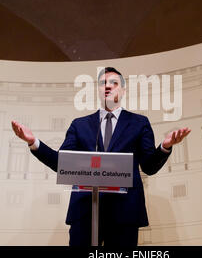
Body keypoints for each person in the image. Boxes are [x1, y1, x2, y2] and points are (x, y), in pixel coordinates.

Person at [11, 67, 191, 246]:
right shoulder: (80, 125)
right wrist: (34, 142)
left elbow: (149, 166)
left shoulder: (139, 123)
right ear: (97, 90)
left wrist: (165, 146)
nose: (107, 86)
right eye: (102, 83)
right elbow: (63, 164)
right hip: (85, 210)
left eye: (114, 83)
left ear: (123, 90)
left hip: (125, 210)